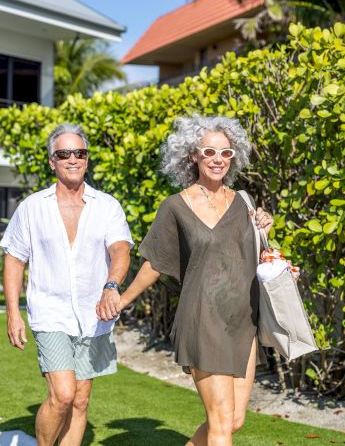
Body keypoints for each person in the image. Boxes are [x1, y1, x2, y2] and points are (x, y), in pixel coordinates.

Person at [99, 115, 273, 445]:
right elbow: (155, 264)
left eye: (226, 153)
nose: (218, 159)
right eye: (209, 151)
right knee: (220, 423)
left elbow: (255, 252)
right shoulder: (175, 207)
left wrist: (265, 225)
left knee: (233, 420)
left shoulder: (244, 203)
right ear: (192, 154)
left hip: (243, 322)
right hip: (202, 321)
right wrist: (122, 298)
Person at [0, 123, 134, 446]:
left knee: (81, 398)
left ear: (87, 160)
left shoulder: (107, 206)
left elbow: (121, 250)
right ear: (52, 161)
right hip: (50, 312)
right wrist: (12, 313)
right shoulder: (32, 208)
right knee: (62, 394)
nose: (72, 159)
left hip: (94, 316)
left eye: (79, 153)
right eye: (64, 154)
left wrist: (111, 285)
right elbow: (15, 259)